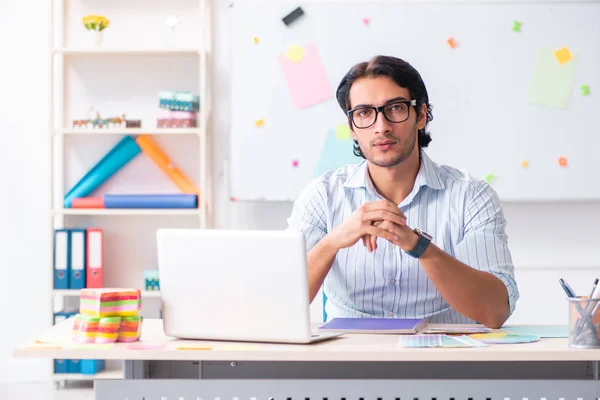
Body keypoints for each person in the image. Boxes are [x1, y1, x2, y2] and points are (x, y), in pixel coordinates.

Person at [286, 55, 519, 328]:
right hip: (350, 361)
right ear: (351, 127)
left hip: (444, 359)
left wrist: (420, 247)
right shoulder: (321, 196)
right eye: (364, 113)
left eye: (395, 108)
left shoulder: (471, 196)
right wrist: (334, 240)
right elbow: (279, 305)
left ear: (420, 116)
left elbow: (494, 312)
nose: (381, 126)